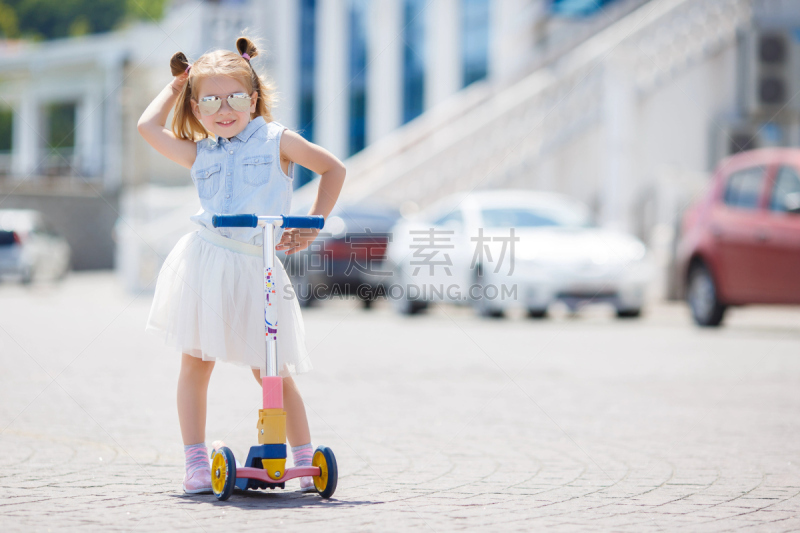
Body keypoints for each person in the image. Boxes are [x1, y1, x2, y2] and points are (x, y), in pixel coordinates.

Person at [137, 36, 346, 494]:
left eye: (234, 97)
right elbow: (147, 128)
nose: (223, 108)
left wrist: (312, 225)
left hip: (258, 266)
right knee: (195, 362)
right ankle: (194, 461)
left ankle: (305, 459)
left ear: (253, 99)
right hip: (207, 264)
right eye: (209, 100)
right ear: (195, 107)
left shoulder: (278, 140)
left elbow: (334, 169)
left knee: (269, 368)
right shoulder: (201, 151)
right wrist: (178, 85)